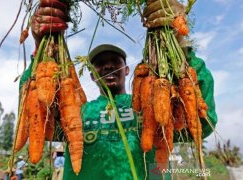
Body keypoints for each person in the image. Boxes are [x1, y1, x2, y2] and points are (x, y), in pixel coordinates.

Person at [20, 0, 218, 179]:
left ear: (127, 70)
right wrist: (41, 46)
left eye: (115, 62)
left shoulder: (152, 104)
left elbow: (203, 124)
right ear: (91, 75)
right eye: (100, 64)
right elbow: (35, 117)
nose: (107, 67)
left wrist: (179, 44)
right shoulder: (77, 112)